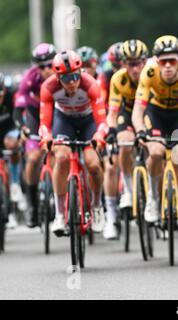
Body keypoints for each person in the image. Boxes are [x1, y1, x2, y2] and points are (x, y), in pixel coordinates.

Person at [132, 35, 178, 237]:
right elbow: (137, 111)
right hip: (156, 114)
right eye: (163, 62)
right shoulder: (149, 73)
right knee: (155, 151)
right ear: (156, 62)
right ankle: (152, 198)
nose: (168, 66)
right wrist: (140, 131)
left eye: (172, 61)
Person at [39, 50, 108, 237]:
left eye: (76, 76)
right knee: (60, 157)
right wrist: (46, 137)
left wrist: (99, 136)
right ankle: (60, 214)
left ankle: (96, 206)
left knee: (93, 164)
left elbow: (102, 121)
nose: (72, 82)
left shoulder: (91, 85)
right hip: (65, 121)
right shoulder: (48, 87)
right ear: (57, 77)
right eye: (66, 78)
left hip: (88, 121)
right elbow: (44, 123)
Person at [102, 39, 149, 240]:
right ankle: (129, 190)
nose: (135, 68)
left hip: (150, 112)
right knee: (124, 143)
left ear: (145, 62)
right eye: (131, 64)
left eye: (139, 63)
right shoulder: (117, 79)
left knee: (156, 148)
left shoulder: (151, 75)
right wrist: (111, 129)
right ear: (123, 64)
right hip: (127, 113)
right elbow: (112, 111)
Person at [14, 43, 57, 228]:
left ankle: (59, 198)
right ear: (36, 67)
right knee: (32, 159)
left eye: (49, 65)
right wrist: (22, 128)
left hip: (56, 115)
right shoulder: (29, 79)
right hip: (34, 117)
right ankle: (32, 203)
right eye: (42, 67)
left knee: (57, 154)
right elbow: (18, 110)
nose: (46, 70)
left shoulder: (61, 75)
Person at [0, 73, 23, 228]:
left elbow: (18, 116)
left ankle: (14, 183)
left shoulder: (11, 94)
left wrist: (21, 133)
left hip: (8, 129)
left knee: (12, 144)